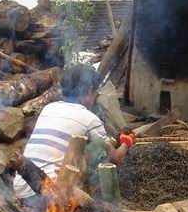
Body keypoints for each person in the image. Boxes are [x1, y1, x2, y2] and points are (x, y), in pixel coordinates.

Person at [13, 65, 134, 203]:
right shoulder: (89, 118)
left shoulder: (48, 108)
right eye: (95, 93)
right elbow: (116, 158)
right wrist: (126, 143)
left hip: (22, 187)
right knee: (97, 148)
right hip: (50, 193)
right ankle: (94, 202)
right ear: (89, 90)